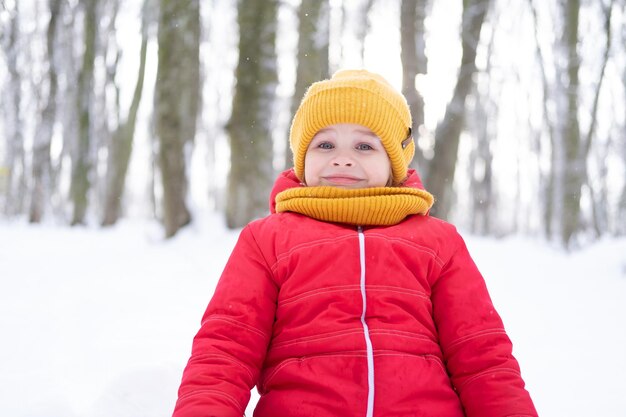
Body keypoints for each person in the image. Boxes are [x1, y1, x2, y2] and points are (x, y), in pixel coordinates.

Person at [172, 70, 537, 417]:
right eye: (325, 143)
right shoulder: (267, 239)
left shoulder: (438, 242)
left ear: (394, 163)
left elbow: (482, 357)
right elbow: (225, 350)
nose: (342, 158)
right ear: (302, 159)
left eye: (364, 145)